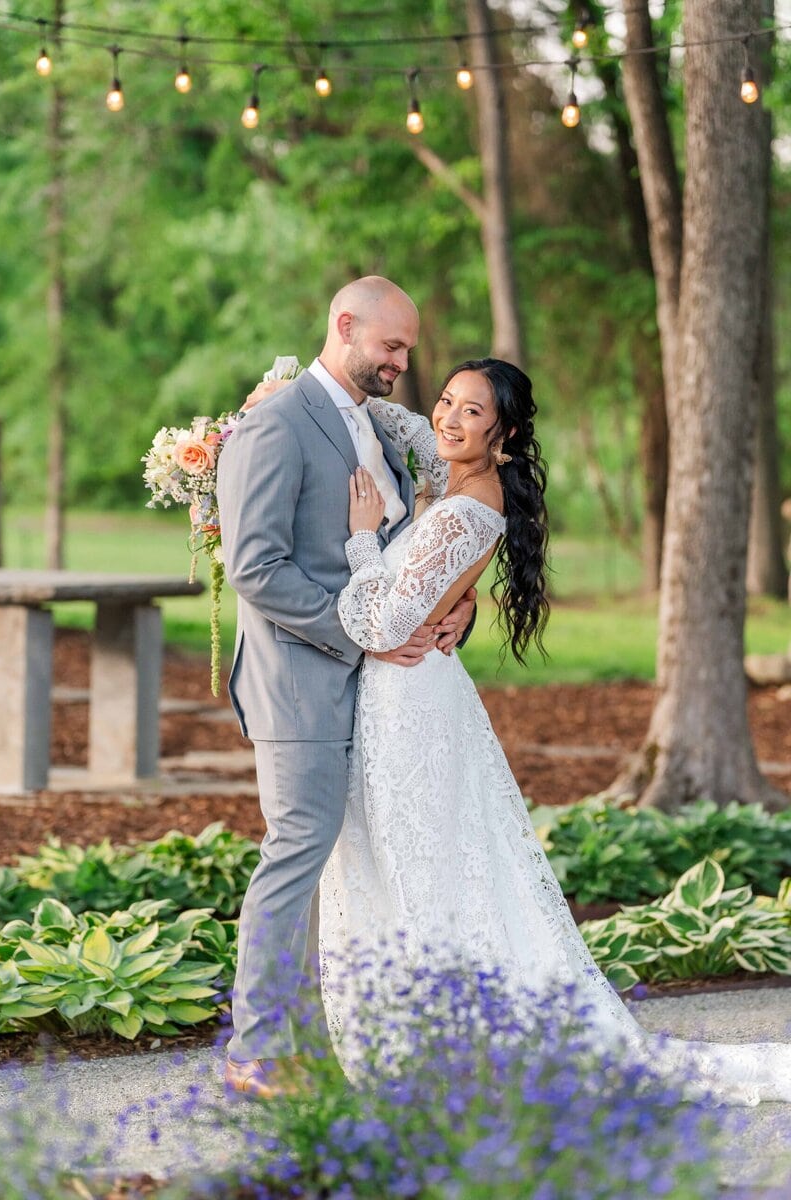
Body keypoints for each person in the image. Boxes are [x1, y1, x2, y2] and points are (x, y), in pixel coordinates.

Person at [318, 356, 791, 1106]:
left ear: (502, 433)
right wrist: (301, 385)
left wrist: (362, 537)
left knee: (425, 869)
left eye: (472, 412)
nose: (448, 418)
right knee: (424, 865)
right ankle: (417, 1034)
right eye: (446, 400)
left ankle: (441, 1043)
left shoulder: (468, 505)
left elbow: (383, 623)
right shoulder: (459, 479)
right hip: (409, 701)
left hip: (409, 706)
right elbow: (400, 422)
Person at [215, 277, 476, 1099]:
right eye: (391, 347)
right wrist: (362, 632)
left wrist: (447, 609)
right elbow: (254, 568)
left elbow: (402, 551)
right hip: (299, 684)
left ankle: (317, 1039)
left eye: (408, 349)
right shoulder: (276, 424)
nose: (403, 362)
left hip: (369, 687)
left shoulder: (371, 424)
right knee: (295, 854)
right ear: (345, 326)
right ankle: (256, 1052)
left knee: (338, 863)